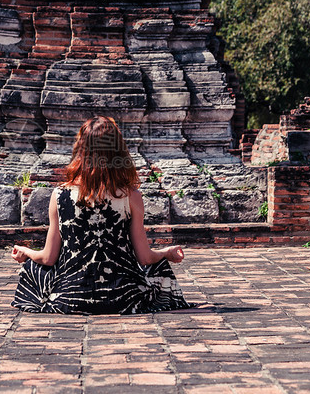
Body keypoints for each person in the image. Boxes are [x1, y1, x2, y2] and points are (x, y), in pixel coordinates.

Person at [11, 116, 191, 314]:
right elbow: (145, 258)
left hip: (70, 300)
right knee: (159, 268)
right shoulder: (130, 196)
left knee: (33, 268)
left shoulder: (59, 194)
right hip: (124, 299)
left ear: (81, 151)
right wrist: (167, 253)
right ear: (118, 151)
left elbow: (48, 258)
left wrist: (25, 252)